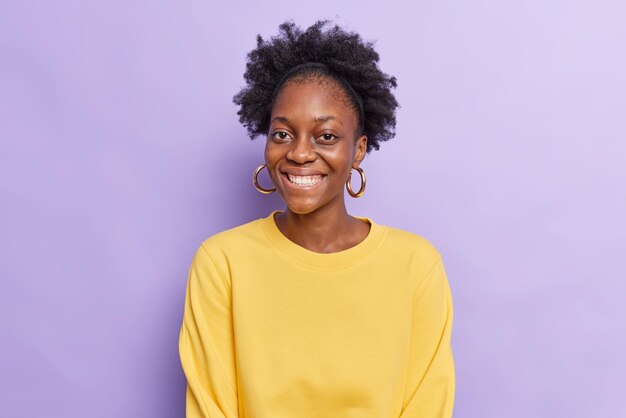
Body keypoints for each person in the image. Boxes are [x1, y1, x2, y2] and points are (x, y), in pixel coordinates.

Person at [178, 19, 455, 418]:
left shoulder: (416, 265)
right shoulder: (222, 262)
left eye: (325, 136)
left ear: (358, 150)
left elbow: (428, 406)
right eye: (282, 134)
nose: (300, 154)